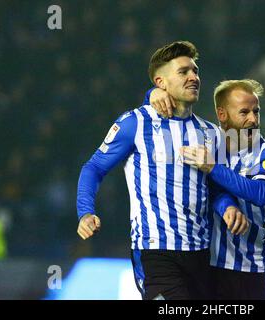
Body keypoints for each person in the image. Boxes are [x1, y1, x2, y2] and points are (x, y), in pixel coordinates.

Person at [76, 41, 249, 300]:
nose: (194, 77)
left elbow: (214, 190)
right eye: (183, 72)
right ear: (161, 82)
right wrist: (85, 212)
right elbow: (94, 168)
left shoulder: (210, 132)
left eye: (195, 71)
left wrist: (228, 207)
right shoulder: (134, 123)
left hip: (201, 253)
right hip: (155, 251)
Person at [147, 79, 265, 299]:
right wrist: (152, 93)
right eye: (244, 112)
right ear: (222, 115)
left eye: (256, 111)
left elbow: (261, 193)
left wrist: (212, 167)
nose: (253, 119)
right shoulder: (205, 143)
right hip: (206, 264)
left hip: (249, 268)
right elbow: (162, 119)